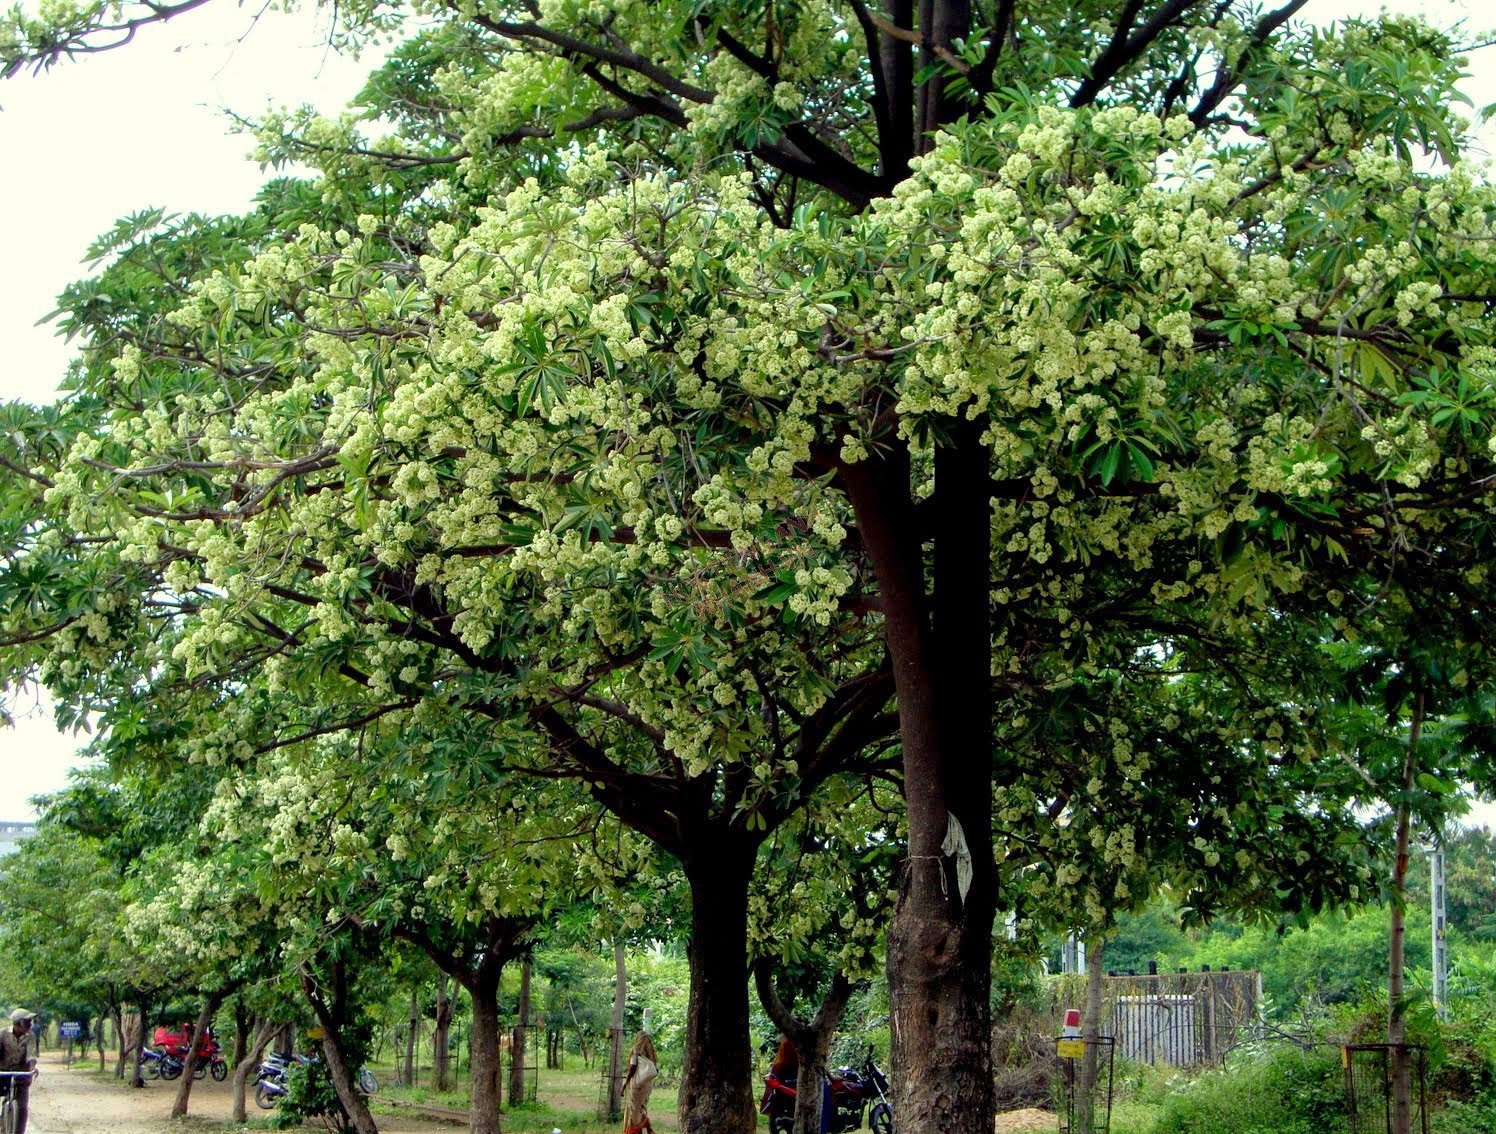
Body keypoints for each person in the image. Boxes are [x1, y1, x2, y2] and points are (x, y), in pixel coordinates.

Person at [0, 1008, 38, 1134]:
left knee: (22, 1108)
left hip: (22, 1074)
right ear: (19, 1023)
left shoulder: (31, 1035)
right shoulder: (2, 1034)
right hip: (3, 1072)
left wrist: (32, 1069)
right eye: (27, 1022)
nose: (30, 1024)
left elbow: (31, 1055)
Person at [619, 1030, 658, 1134]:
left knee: (634, 1110)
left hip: (637, 1086)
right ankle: (649, 1129)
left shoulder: (636, 1052)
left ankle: (637, 1131)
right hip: (647, 1086)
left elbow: (632, 1069)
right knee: (640, 1107)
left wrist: (624, 1085)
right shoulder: (651, 1054)